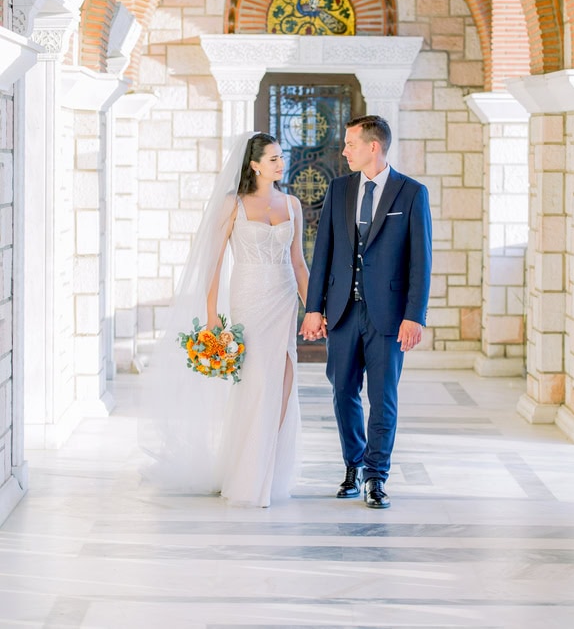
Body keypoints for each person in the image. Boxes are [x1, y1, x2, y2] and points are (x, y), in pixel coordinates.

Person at [141, 131, 308, 508]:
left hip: (283, 300)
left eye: (282, 157)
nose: (281, 163)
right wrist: (212, 312)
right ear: (254, 164)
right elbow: (213, 262)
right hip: (249, 299)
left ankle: (269, 469)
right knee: (256, 382)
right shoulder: (233, 204)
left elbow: (299, 263)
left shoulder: (293, 204)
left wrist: (313, 309)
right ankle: (247, 475)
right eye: (273, 159)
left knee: (283, 381)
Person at [300, 115, 432, 509]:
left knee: (383, 397)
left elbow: (420, 262)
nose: (344, 151)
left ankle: (377, 476)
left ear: (373, 147)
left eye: (350, 144)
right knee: (343, 393)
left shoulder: (411, 193)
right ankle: (352, 466)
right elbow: (322, 253)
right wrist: (313, 308)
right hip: (342, 312)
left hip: (389, 316)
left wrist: (415, 315)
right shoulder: (339, 190)